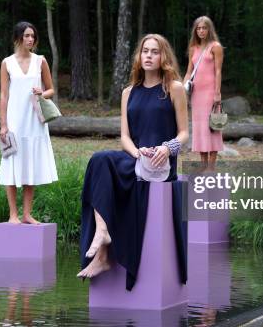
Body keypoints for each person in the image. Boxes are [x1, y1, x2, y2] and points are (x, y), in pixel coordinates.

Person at [77, 34, 189, 290]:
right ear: (139, 57)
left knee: (104, 163)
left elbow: (184, 133)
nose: (148, 56)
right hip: (136, 159)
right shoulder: (128, 92)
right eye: (144, 51)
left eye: (154, 52)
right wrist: (138, 153)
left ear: (164, 57)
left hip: (161, 165)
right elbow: (125, 137)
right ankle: (103, 233)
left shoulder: (174, 88)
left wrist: (165, 148)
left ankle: (104, 249)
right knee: (99, 160)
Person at [0, 21, 58, 225]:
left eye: (32, 36)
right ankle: (13, 214)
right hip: (15, 121)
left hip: (34, 121)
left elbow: (51, 90)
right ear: (18, 38)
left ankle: (26, 214)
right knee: (12, 164)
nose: (30, 39)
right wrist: (4, 125)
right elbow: (4, 95)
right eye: (26, 36)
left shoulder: (40, 61)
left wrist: (43, 92)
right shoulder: (7, 63)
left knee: (30, 163)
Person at [183, 16, 224, 171]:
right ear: (195, 30)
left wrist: (217, 93)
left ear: (209, 29)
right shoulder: (193, 48)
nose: (201, 31)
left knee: (212, 126)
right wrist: (182, 87)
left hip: (210, 92)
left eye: (204, 28)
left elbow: (218, 71)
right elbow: (188, 72)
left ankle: (211, 168)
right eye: (198, 28)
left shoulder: (215, 47)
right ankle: (203, 165)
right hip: (196, 94)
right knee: (200, 128)